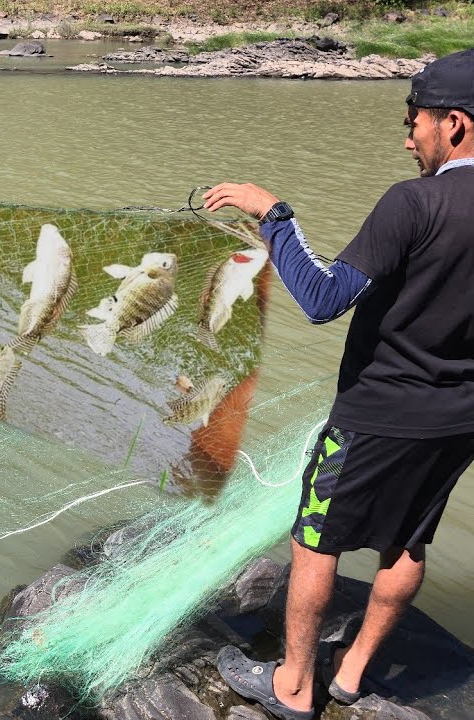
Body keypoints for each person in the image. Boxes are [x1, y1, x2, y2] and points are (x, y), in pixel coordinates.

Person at [202, 48, 474, 720]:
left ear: (456, 125)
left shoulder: (415, 202)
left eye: (416, 121)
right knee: (409, 540)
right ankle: (351, 675)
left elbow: (325, 298)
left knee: (313, 539)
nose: (408, 135)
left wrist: (275, 215)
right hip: (460, 417)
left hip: (378, 411)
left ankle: (294, 686)